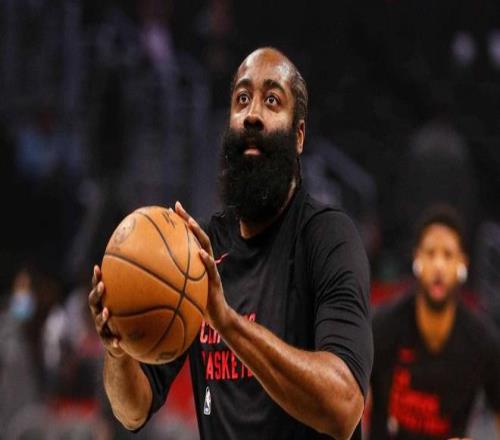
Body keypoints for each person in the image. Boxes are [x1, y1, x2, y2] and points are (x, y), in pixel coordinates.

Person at [89, 47, 373, 440]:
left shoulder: (328, 238)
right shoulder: (197, 254)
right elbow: (131, 410)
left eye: (271, 100)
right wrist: (118, 349)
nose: (252, 113)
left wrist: (226, 322)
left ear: (299, 135)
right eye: (242, 99)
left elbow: (343, 408)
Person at [369, 205, 500, 439]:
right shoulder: (382, 326)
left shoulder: (482, 340)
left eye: (448, 255)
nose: (439, 266)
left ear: (462, 263)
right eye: (430, 253)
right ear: (417, 259)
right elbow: (348, 402)